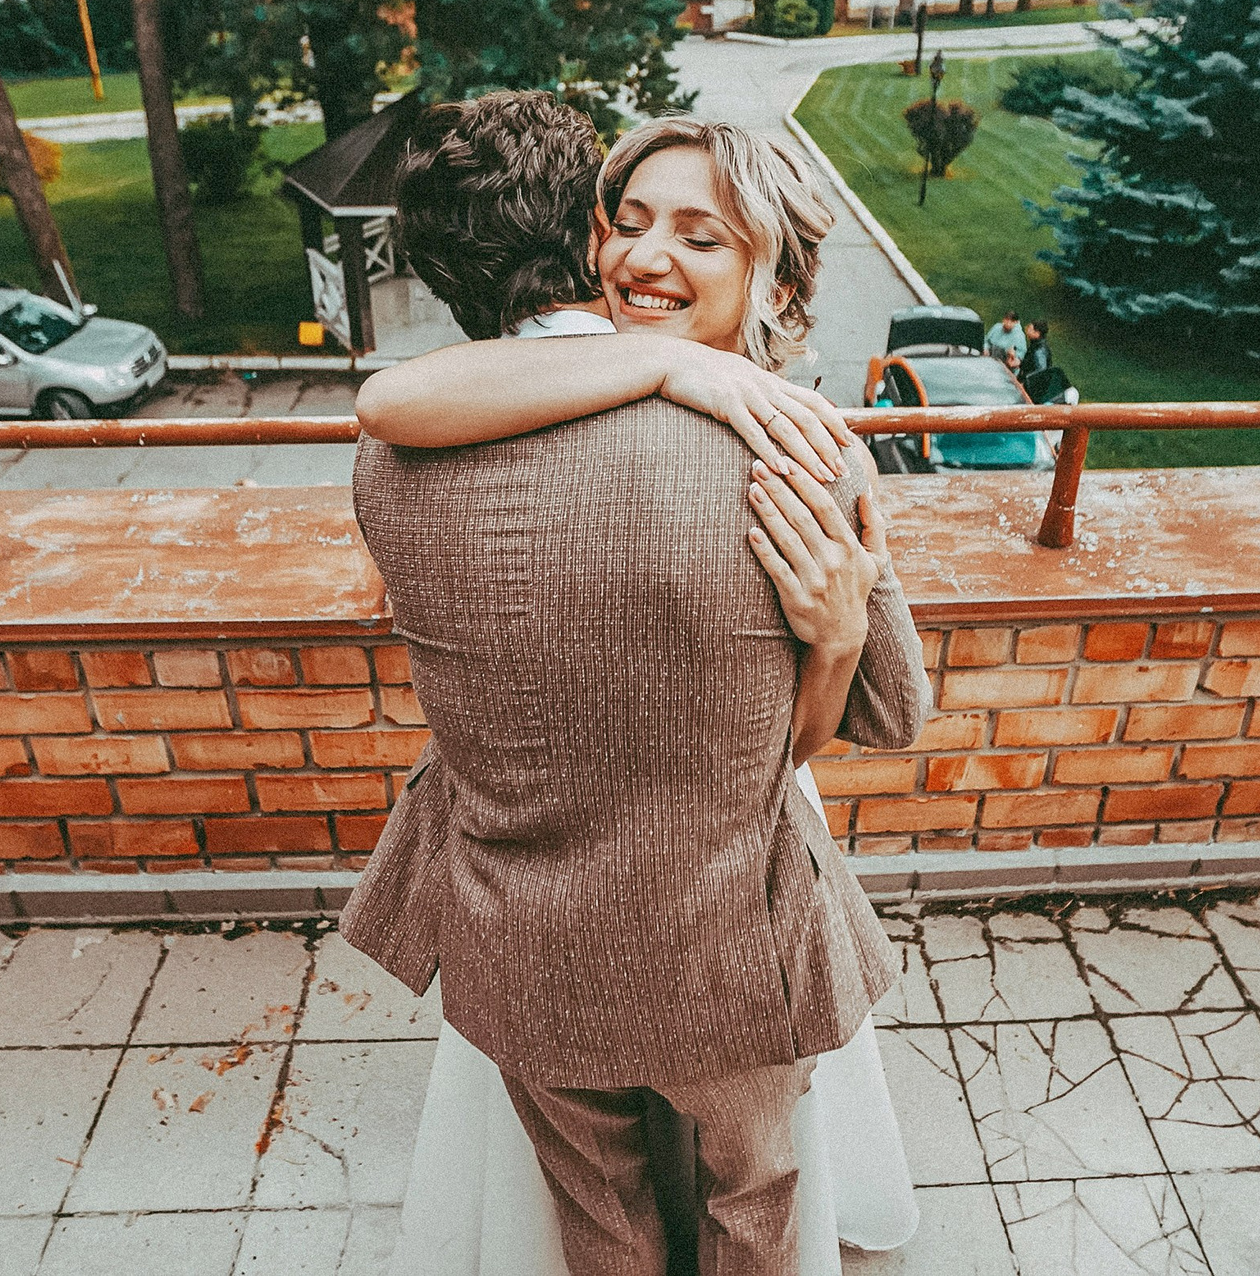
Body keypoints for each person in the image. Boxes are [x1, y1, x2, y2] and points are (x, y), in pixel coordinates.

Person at [346, 97, 929, 1276]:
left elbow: (391, 402)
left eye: (699, 236)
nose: (649, 255)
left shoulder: (396, 452)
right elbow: (890, 719)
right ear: (587, 234)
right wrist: (835, 642)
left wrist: (827, 635)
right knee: (754, 1199)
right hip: (729, 939)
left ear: (770, 273)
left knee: (597, 1215)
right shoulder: (799, 453)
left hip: (523, 939)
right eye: (631, 221)